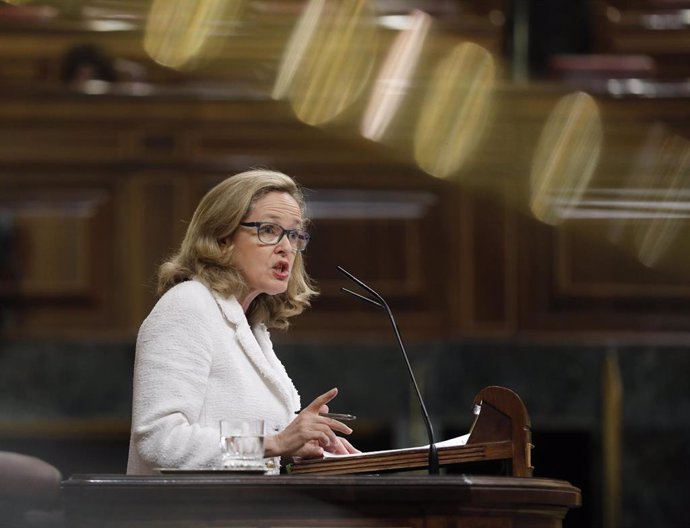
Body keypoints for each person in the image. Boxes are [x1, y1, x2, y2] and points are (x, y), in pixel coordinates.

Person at [126, 169, 358, 475]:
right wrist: (275, 444)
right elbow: (160, 442)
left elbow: (248, 445)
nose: (286, 247)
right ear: (222, 239)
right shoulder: (188, 306)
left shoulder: (251, 325)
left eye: (294, 234)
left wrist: (292, 450)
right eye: (269, 230)